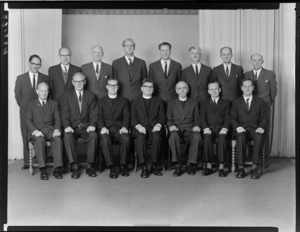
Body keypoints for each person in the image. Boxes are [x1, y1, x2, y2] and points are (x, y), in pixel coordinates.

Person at [61, 72, 98, 179]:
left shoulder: (91, 96)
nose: (78, 84)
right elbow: (64, 115)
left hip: (86, 127)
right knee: (67, 137)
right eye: (76, 81)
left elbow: (94, 114)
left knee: (94, 135)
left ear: (85, 82)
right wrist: (67, 126)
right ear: (72, 82)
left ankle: (90, 166)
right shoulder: (67, 96)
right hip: (73, 128)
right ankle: (74, 166)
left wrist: (92, 125)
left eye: (81, 81)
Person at [14, 54, 48, 170]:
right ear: (29, 63)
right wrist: (25, 108)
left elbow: (48, 95)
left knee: (41, 134)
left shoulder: (45, 78)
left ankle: (41, 160)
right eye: (34, 63)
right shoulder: (20, 78)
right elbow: (18, 96)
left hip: (41, 113)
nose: (36, 66)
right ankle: (26, 162)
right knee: (25, 135)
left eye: (38, 64)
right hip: (25, 112)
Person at [244, 53, 277, 164]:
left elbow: (273, 93)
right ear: (251, 61)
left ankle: (264, 160)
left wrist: (268, 103)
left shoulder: (270, 74)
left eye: (259, 60)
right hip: (250, 108)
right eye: (254, 60)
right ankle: (252, 158)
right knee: (252, 131)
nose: (257, 62)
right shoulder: (246, 74)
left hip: (265, 107)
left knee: (264, 132)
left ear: (262, 61)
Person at [231, 78, 268, 179]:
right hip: (241, 129)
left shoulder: (260, 102)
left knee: (259, 137)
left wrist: (261, 127)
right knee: (240, 137)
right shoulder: (236, 102)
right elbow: (232, 118)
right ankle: (241, 168)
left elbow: (264, 118)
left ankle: (254, 168)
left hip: (254, 129)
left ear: (253, 88)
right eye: (245, 86)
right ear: (242, 88)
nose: (247, 88)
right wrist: (237, 127)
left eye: (249, 86)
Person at [26, 82, 63, 180]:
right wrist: (35, 131)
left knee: (58, 139)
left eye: (46, 91)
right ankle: (43, 169)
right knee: (39, 141)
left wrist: (57, 130)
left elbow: (57, 119)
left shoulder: (54, 104)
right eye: (42, 90)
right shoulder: (31, 104)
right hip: (37, 131)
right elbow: (28, 120)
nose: (44, 93)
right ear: (37, 91)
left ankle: (57, 169)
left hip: (50, 130)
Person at [131, 78, 166, 178]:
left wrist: (159, 125)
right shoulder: (135, 102)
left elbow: (162, 116)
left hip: (155, 128)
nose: (148, 89)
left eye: (151, 87)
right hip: (140, 128)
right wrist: (138, 126)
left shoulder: (159, 101)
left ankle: (154, 165)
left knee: (156, 136)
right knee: (141, 137)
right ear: (142, 88)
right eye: (146, 87)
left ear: (153, 89)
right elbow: (133, 117)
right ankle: (144, 167)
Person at [167, 81, 202, 177]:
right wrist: (171, 126)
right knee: (173, 136)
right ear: (176, 90)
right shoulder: (171, 103)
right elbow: (169, 119)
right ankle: (178, 165)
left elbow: (197, 119)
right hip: (177, 130)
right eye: (179, 88)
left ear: (187, 90)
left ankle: (191, 164)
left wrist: (197, 126)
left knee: (197, 136)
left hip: (190, 130)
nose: (182, 90)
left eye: (184, 88)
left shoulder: (194, 102)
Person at [98, 78, 131, 179]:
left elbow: (126, 116)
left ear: (118, 87)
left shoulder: (124, 101)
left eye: (115, 85)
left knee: (126, 139)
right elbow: (99, 117)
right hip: (106, 128)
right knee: (104, 139)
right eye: (111, 85)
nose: (113, 87)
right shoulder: (101, 101)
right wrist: (102, 127)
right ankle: (111, 166)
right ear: (107, 87)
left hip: (119, 128)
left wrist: (125, 127)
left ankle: (123, 165)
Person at [200, 82, 231, 177]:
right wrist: (205, 128)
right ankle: (208, 165)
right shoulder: (204, 103)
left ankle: (221, 166)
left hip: (221, 128)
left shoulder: (226, 103)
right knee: (207, 138)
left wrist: (225, 128)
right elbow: (202, 118)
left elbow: (228, 118)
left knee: (222, 138)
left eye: (216, 89)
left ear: (220, 90)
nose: (214, 91)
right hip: (209, 128)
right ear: (208, 91)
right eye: (211, 89)